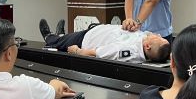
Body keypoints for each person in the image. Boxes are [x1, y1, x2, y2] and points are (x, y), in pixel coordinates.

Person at [40, 19, 170, 63]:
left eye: (158, 38)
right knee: (65, 38)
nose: (157, 35)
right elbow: (156, 45)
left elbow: (96, 53)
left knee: (58, 43)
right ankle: (61, 35)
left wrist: (77, 51)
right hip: (97, 31)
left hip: (86, 40)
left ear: (147, 46)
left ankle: (49, 37)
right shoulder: (146, 42)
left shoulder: (127, 51)